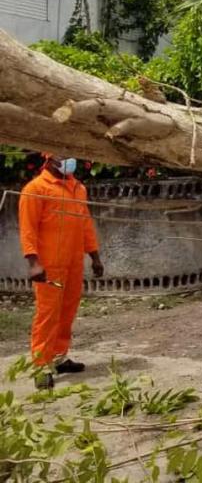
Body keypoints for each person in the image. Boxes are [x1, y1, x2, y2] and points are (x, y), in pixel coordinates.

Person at [19, 152, 104, 389]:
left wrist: (94, 256)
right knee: (48, 314)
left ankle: (59, 356)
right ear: (50, 159)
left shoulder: (78, 188)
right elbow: (28, 229)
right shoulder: (35, 189)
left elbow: (85, 224)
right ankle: (41, 365)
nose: (70, 160)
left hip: (73, 262)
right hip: (50, 266)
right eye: (64, 156)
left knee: (67, 310)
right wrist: (33, 262)